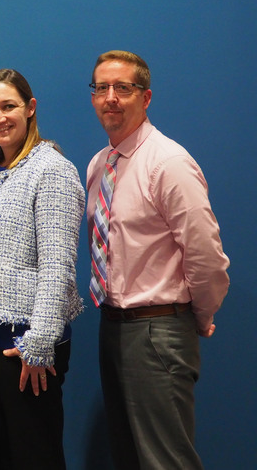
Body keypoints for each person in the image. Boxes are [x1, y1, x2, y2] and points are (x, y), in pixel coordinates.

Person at [87, 50, 229, 469]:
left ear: (146, 98)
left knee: (166, 461)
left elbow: (207, 257)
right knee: (129, 456)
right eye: (101, 88)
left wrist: (195, 316)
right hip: (112, 326)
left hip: (159, 329)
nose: (110, 97)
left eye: (123, 88)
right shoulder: (100, 164)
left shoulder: (168, 163)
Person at [0, 69, 84, 470]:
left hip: (26, 348)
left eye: (8, 106)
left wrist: (39, 343)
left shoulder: (51, 169)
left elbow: (58, 266)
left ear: (30, 109)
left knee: (35, 459)